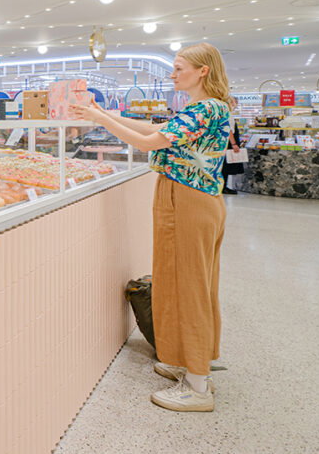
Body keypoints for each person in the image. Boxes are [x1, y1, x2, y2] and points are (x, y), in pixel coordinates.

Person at [71, 42, 233, 412]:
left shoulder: (205, 108)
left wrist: (101, 120)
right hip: (192, 197)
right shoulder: (207, 108)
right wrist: (103, 112)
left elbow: (147, 141)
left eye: (179, 68)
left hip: (188, 199)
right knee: (179, 281)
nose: (172, 75)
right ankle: (188, 362)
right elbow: (154, 127)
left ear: (203, 71)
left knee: (189, 286)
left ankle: (198, 385)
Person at [222, 122, 244, 194]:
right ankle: (223, 187)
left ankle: (223, 187)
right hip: (228, 144)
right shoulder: (228, 117)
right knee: (226, 167)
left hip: (224, 143)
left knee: (224, 166)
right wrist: (234, 144)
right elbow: (229, 130)